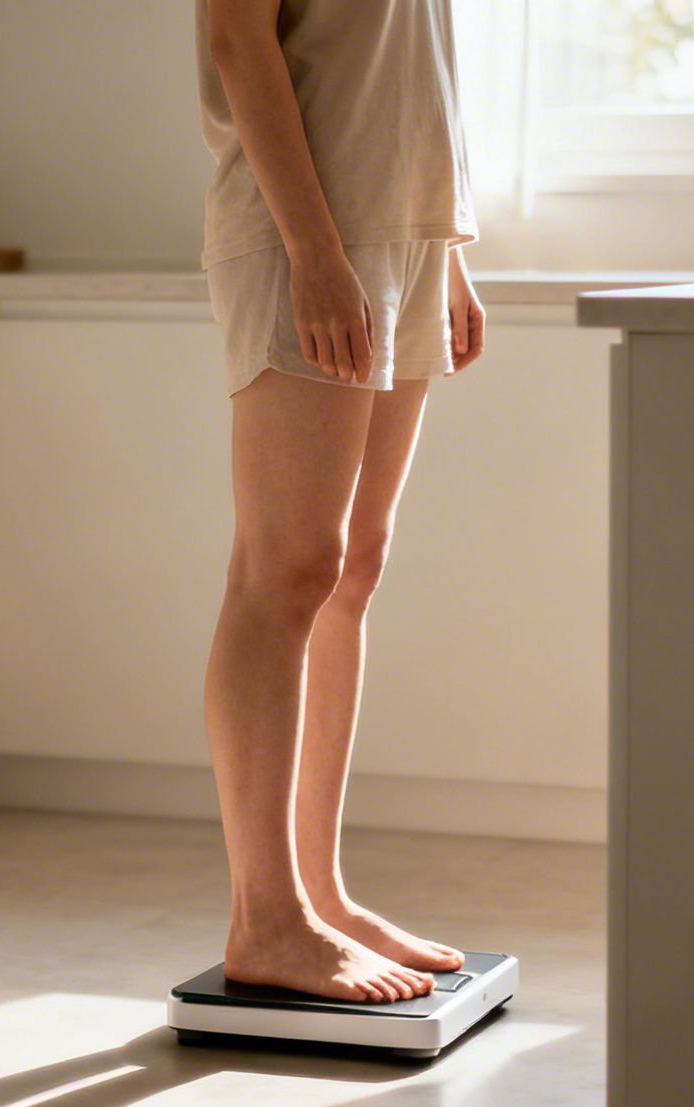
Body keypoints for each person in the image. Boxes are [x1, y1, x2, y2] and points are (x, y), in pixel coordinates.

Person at [197, 0, 486, 1005]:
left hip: (405, 233)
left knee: (352, 567)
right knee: (285, 569)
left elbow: (403, 58)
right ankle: (266, 918)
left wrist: (446, 248)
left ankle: (317, 895)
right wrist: (314, 253)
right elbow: (237, 39)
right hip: (308, 235)